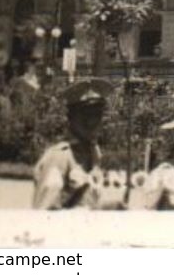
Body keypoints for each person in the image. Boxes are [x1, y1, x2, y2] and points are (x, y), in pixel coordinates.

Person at [31, 79, 123, 210]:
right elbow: (45, 214)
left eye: (97, 115)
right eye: (85, 115)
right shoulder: (59, 157)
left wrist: (111, 207)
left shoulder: (94, 153)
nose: (92, 121)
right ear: (71, 118)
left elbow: (88, 203)